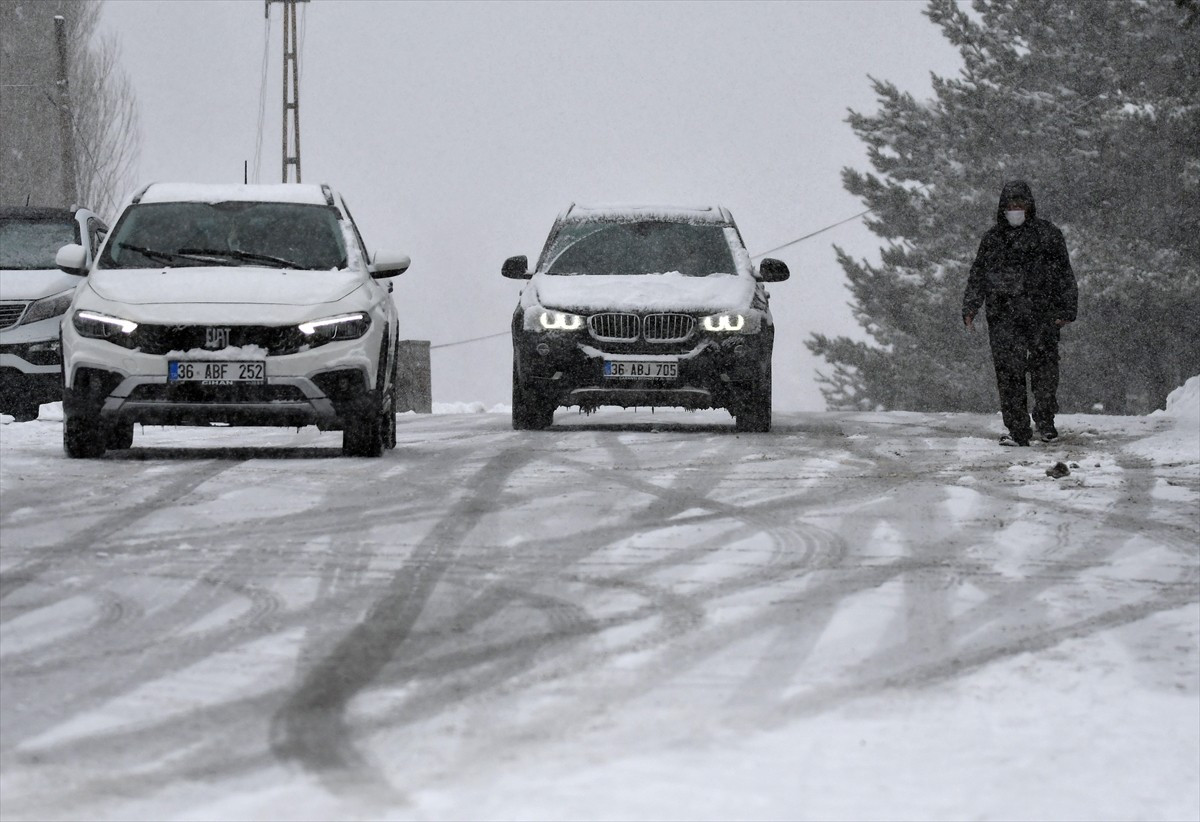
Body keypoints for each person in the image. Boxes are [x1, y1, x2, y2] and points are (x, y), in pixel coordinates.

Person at [962, 180, 1077, 446]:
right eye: (1010, 206)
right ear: (1002, 209)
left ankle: (1046, 422)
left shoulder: (1048, 235)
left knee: (1045, 372)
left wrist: (1067, 309)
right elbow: (978, 275)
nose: (1015, 210)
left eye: (1019, 205)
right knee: (1009, 373)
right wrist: (970, 306)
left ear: (1029, 206)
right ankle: (1017, 430)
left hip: (1042, 314)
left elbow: (1064, 274)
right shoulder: (993, 240)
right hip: (1003, 316)